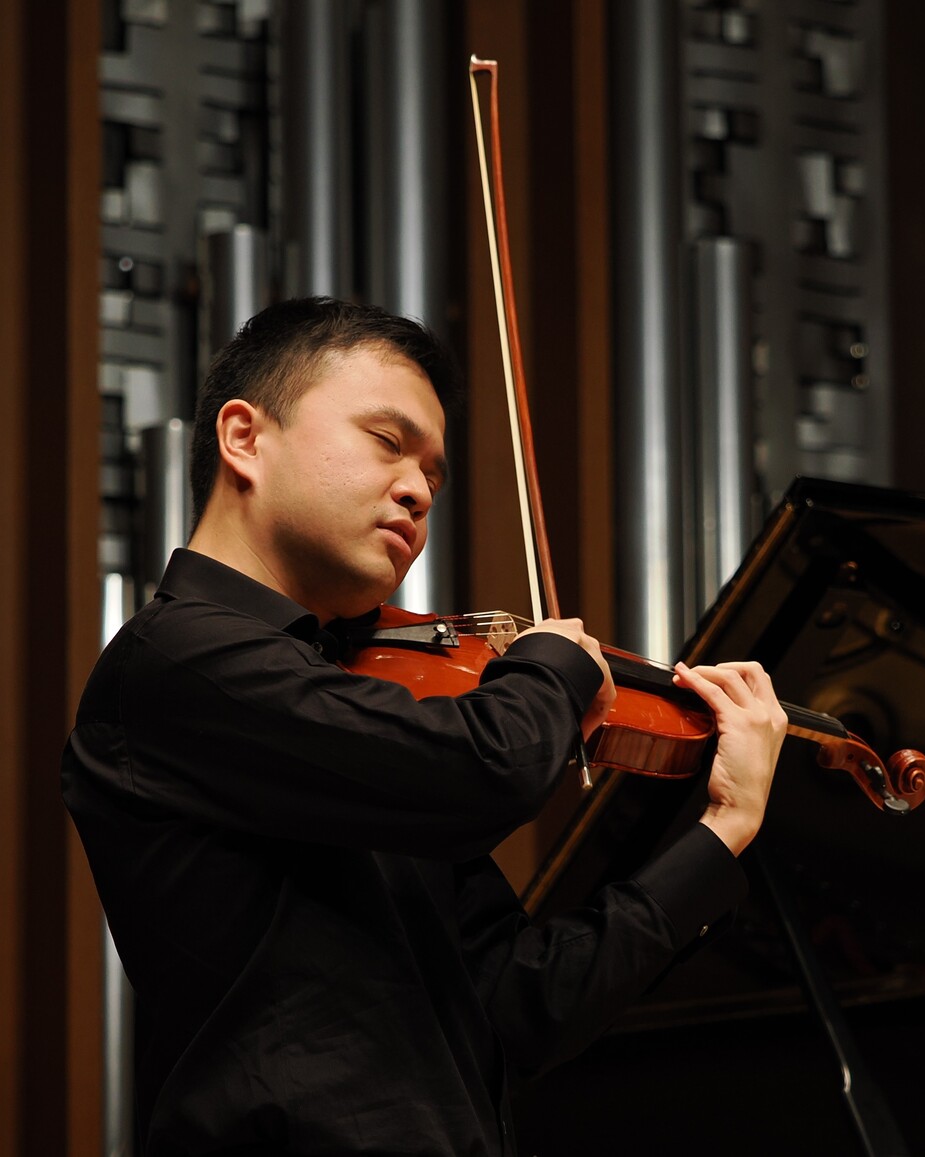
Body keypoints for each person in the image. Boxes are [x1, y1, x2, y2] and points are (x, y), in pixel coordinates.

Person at [62, 296, 787, 1156]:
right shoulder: (178, 659)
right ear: (244, 438)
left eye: (433, 477)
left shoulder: (356, 695)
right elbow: (487, 768)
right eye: (386, 441)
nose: (417, 489)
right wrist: (552, 663)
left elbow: (522, 1007)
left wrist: (724, 829)